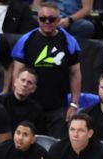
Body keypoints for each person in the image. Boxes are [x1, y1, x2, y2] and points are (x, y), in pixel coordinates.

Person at [11, 2, 81, 138]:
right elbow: (17, 73)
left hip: (58, 107)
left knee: (55, 148)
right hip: (30, 106)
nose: (47, 22)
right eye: (43, 18)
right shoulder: (26, 40)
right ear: (38, 19)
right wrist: (18, 100)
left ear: (59, 20)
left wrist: (74, 103)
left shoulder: (69, 41)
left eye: (51, 19)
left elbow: (75, 73)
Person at [0, 67, 45, 133]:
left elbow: (37, 136)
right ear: (15, 82)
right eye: (23, 80)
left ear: (34, 89)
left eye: (29, 83)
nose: (25, 84)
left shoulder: (37, 111)